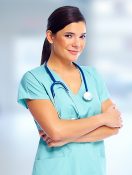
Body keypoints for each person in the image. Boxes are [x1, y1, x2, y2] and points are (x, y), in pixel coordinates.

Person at [17, 6, 122, 175]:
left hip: (92, 168)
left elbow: (114, 127)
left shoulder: (92, 75)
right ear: (50, 36)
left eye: (82, 36)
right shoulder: (34, 79)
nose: (77, 44)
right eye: (69, 36)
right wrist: (103, 118)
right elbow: (56, 131)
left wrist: (64, 138)